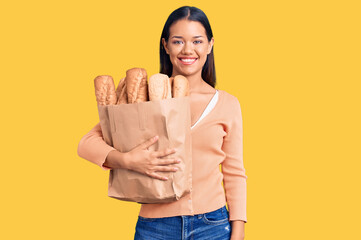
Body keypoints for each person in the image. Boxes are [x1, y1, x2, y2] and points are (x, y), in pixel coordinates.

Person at [77, 6, 247, 240]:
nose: (188, 50)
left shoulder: (227, 104)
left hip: (213, 224)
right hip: (155, 227)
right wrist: (127, 160)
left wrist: (238, 232)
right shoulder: (146, 98)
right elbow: (86, 144)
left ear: (210, 44)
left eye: (197, 41)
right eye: (178, 42)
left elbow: (234, 173)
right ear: (166, 46)